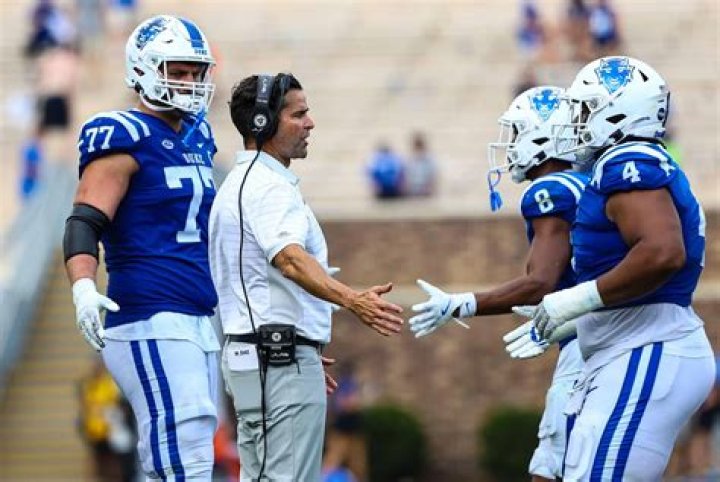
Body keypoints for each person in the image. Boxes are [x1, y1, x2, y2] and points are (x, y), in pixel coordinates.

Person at [519, 56, 714, 479]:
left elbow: (663, 252)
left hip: (647, 343)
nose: (576, 122)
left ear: (618, 112)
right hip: (631, 343)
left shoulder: (627, 162)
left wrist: (576, 300)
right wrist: (577, 318)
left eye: (585, 109)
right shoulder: (627, 163)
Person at [210, 73, 404, 482]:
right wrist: (352, 299)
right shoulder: (269, 187)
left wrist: (303, 342)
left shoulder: (238, 184)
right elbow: (290, 260)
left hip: (261, 356)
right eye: (298, 115)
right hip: (278, 360)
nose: (310, 123)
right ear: (263, 122)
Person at [63, 15, 221, 480]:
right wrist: (83, 287)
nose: (189, 81)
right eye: (178, 70)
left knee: (185, 455)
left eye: (195, 71)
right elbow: (84, 219)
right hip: (150, 314)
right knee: (183, 458)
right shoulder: (123, 133)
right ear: (143, 69)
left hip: (196, 315)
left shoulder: (197, 136)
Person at [409, 86, 589, 482]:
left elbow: (540, 282)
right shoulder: (585, 183)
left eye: (518, 132)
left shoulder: (550, 191)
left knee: (550, 468)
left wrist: (462, 304)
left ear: (543, 136)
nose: (511, 144)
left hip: (591, 347)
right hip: (601, 333)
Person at [403, 131, 437, 197]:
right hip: (413, 189)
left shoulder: (428, 159)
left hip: (424, 189)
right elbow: (406, 176)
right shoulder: (410, 159)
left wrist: (430, 188)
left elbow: (432, 176)